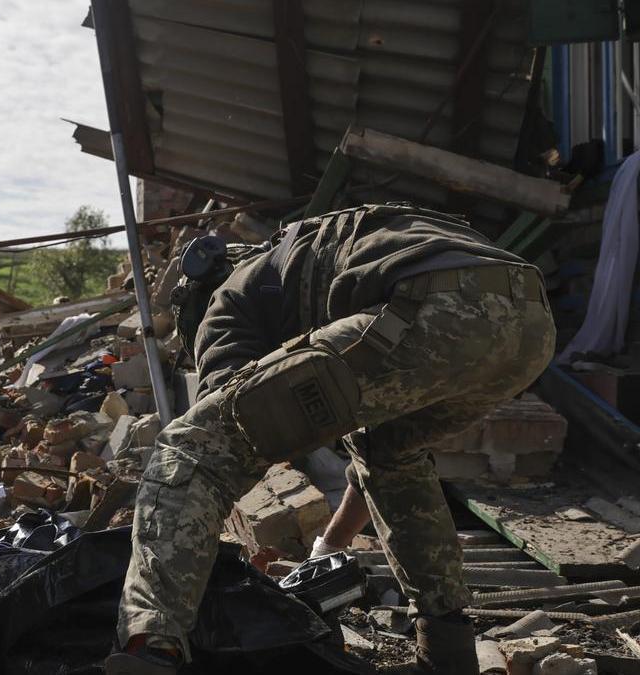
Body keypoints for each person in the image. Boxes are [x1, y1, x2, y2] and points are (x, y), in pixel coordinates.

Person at [107, 204, 555, 675]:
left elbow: (227, 431)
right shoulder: (307, 257)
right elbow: (372, 470)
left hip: (436, 302)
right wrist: (326, 550)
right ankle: (448, 654)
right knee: (390, 452)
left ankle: (150, 646)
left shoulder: (227, 300)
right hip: (529, 323)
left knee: (188, 447)